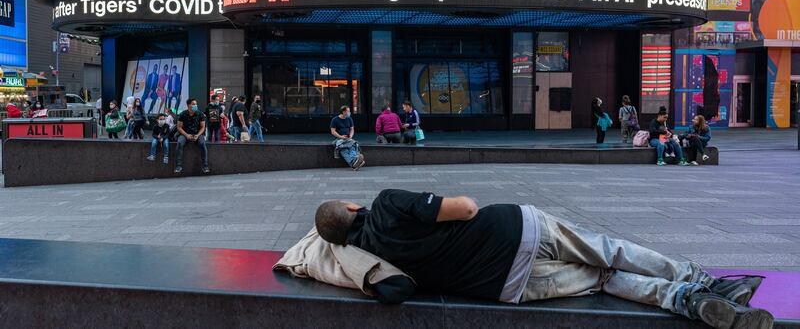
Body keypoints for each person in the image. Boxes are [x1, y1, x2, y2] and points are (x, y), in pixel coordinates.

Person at [314, 190, 772, 329]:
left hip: (507, 287)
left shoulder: (367, 257)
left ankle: (687, 300)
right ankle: (703, 279)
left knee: (602, 279)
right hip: (520, 231)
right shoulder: (388, 203)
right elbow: (466, 210)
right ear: (352, 209)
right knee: (611, 252)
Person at [175, 98, 209, 174]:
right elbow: (179, 127)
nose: (195, 105)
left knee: (202, 144)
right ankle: (178, 166)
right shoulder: (182, 114)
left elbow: (203, 127)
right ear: (188, 105)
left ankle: (205, 166)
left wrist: (197, 135)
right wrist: (186, 135)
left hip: (198, 134)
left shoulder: (200, 114)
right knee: (180, 143)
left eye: (196, 104)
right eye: (193, 104)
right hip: (185, 134)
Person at [330, 105, 365, 170]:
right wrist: (341, 137)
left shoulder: (349, 119)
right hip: (339, 139)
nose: (349, 112)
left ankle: (355, 160)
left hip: (348, 139)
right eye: (348, 111)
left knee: (352, 147)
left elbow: (352, 129)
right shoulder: (335, 120)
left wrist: (351, 136)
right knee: (344, 149)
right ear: (343, 112)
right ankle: (354, 163)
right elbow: (333, 131)